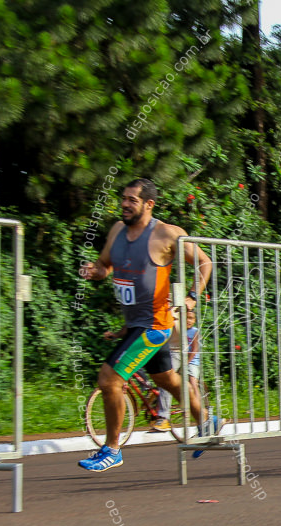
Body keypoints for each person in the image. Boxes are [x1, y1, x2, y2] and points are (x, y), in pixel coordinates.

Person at [78, 178, 215, 472]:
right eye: (123, 198)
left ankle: (112, 449)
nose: (125, 204)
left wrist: (192, 297)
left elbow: (205, 262)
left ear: (149, 204)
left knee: (109, 380)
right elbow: (105, 266)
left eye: (132, 200)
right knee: (167, 380)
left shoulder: (167, 234)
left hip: (154, 326)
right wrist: (95, 270)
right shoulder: (117, 230)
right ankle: (207, 420)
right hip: (135, 324)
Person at [155, 308, 201, 430]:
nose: (188, 321)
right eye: (187, 318)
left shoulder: (192, 330)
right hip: (162, 347)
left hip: (181, 353)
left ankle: (164, 417)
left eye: (191, 318)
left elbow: (195, 349)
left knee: (170, 380)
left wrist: (187, 362)